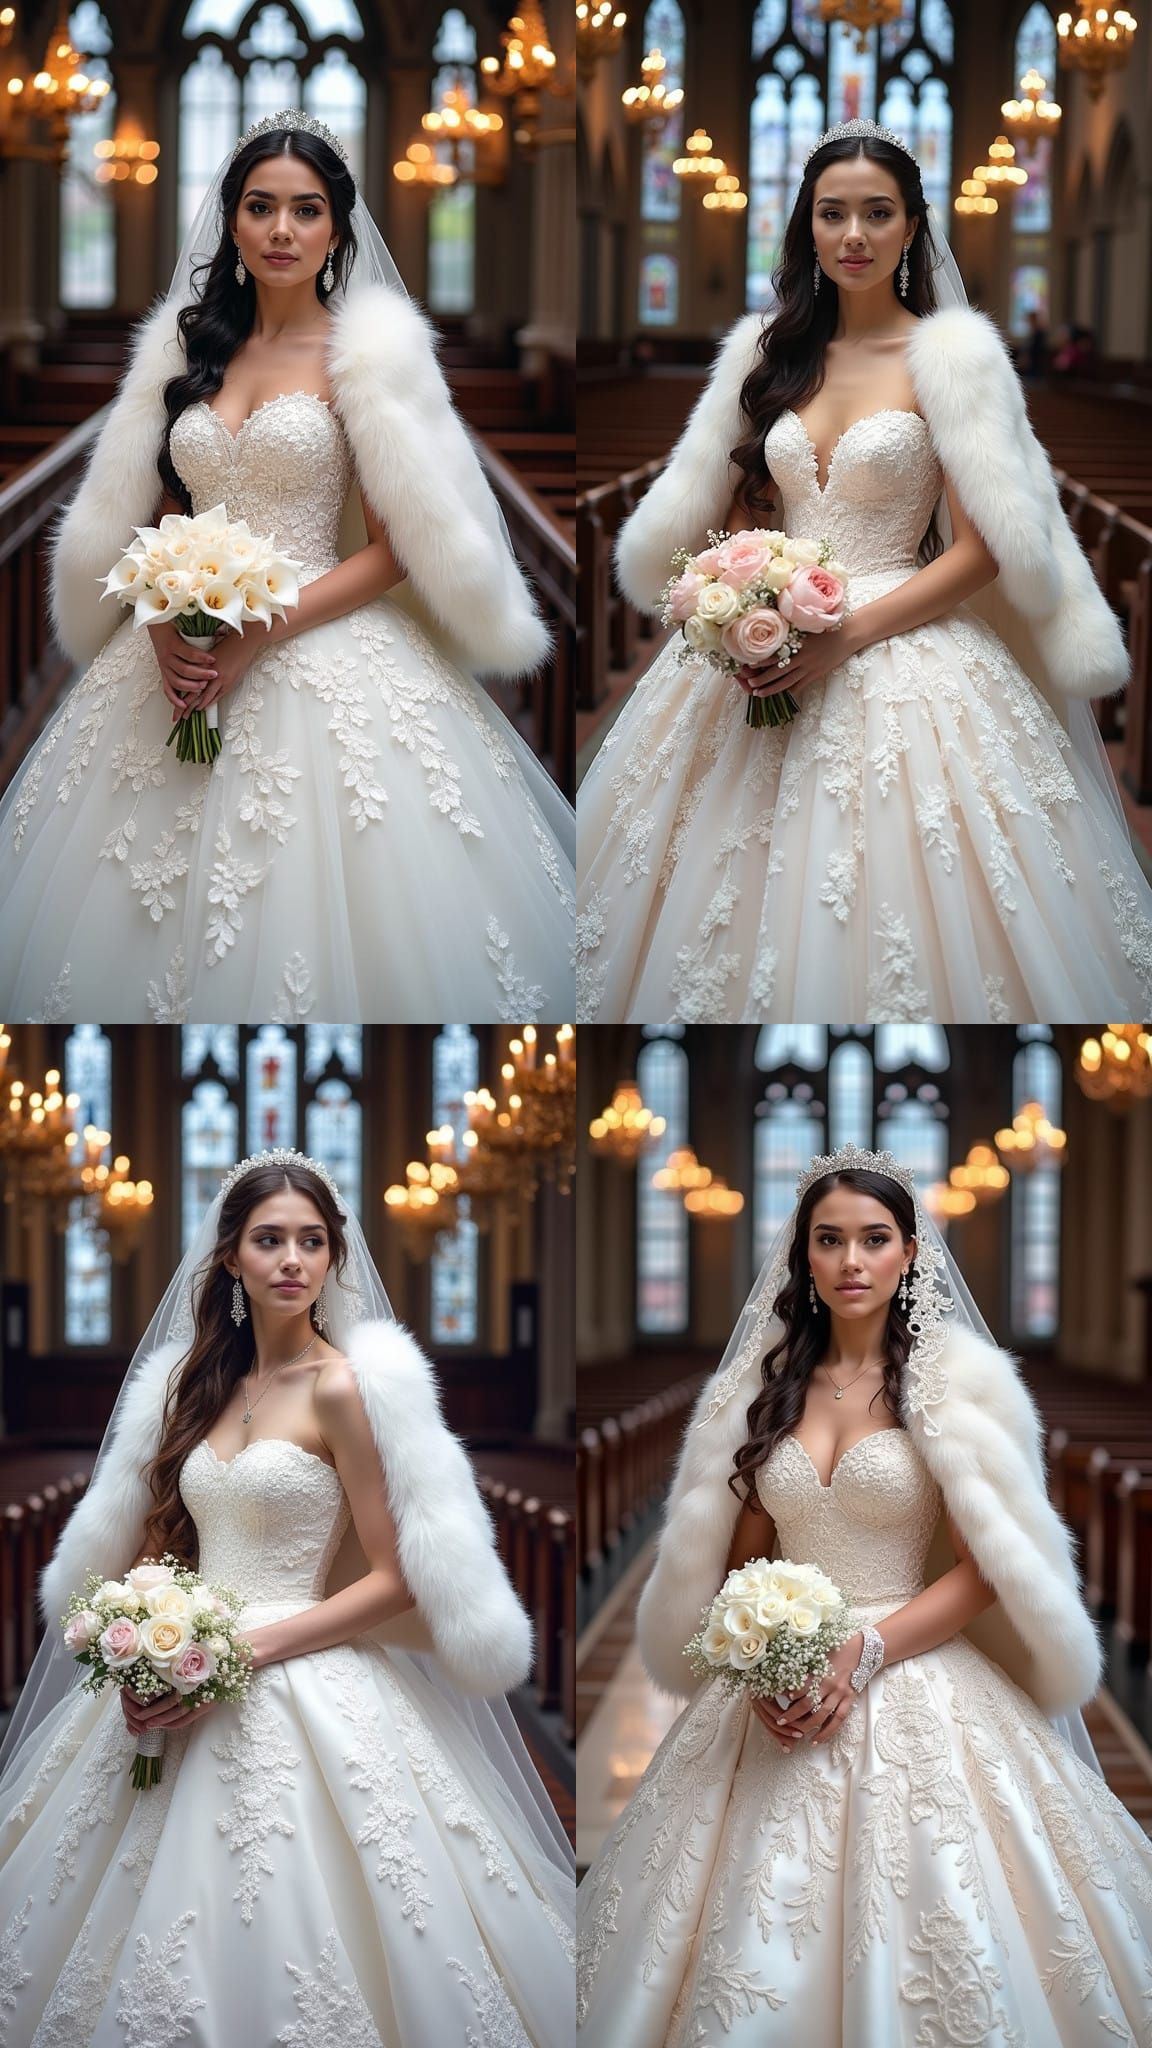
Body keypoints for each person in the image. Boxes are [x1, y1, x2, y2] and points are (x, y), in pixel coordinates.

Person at [0, 110, 574, 1023]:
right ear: (229, 220)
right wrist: (159, 621)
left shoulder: (367, 357)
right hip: (177, 644)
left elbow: (395, 550)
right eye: (260, 207)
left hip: (319, 633)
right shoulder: (189, 348)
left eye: (305, 211)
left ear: (337, 227)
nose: (281, 231)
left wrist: (257, 632)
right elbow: (170, 507)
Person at [576, 119, 1152, 1023]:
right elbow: (748, 498)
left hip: (900, 629)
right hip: (764, 634)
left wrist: (843, 635)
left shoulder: (952, 360)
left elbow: (981, 549)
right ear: (806, 224)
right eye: (832, 213)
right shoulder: (772, 355)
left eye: (877, 214)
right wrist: (743, 587)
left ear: (914, 226)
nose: (853, 237)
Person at [577, 1144, 1152, 2044]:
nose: (852, 1262)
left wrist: (865, 1650)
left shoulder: (956, 1389)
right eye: (830, 1240)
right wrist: (762, 1658)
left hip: (912, 1662)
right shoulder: (762, 1392)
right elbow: (745, 1558)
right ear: (802, 1255)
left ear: (910, 1252)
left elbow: (986, 1568)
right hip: (780, 1679)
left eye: (875, 1239)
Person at [0, 1149, 573, 2045]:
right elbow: (156, 1552)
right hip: (179, 1651)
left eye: (313, 1241)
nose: (293, 1261)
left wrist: (241, 1652)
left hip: (297, 1662)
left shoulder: (342, 1387)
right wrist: (141, 1650)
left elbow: (390, 1579)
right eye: (269, 1241)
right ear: (230, 1257)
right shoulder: (195, 1385)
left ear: (335, 1258)